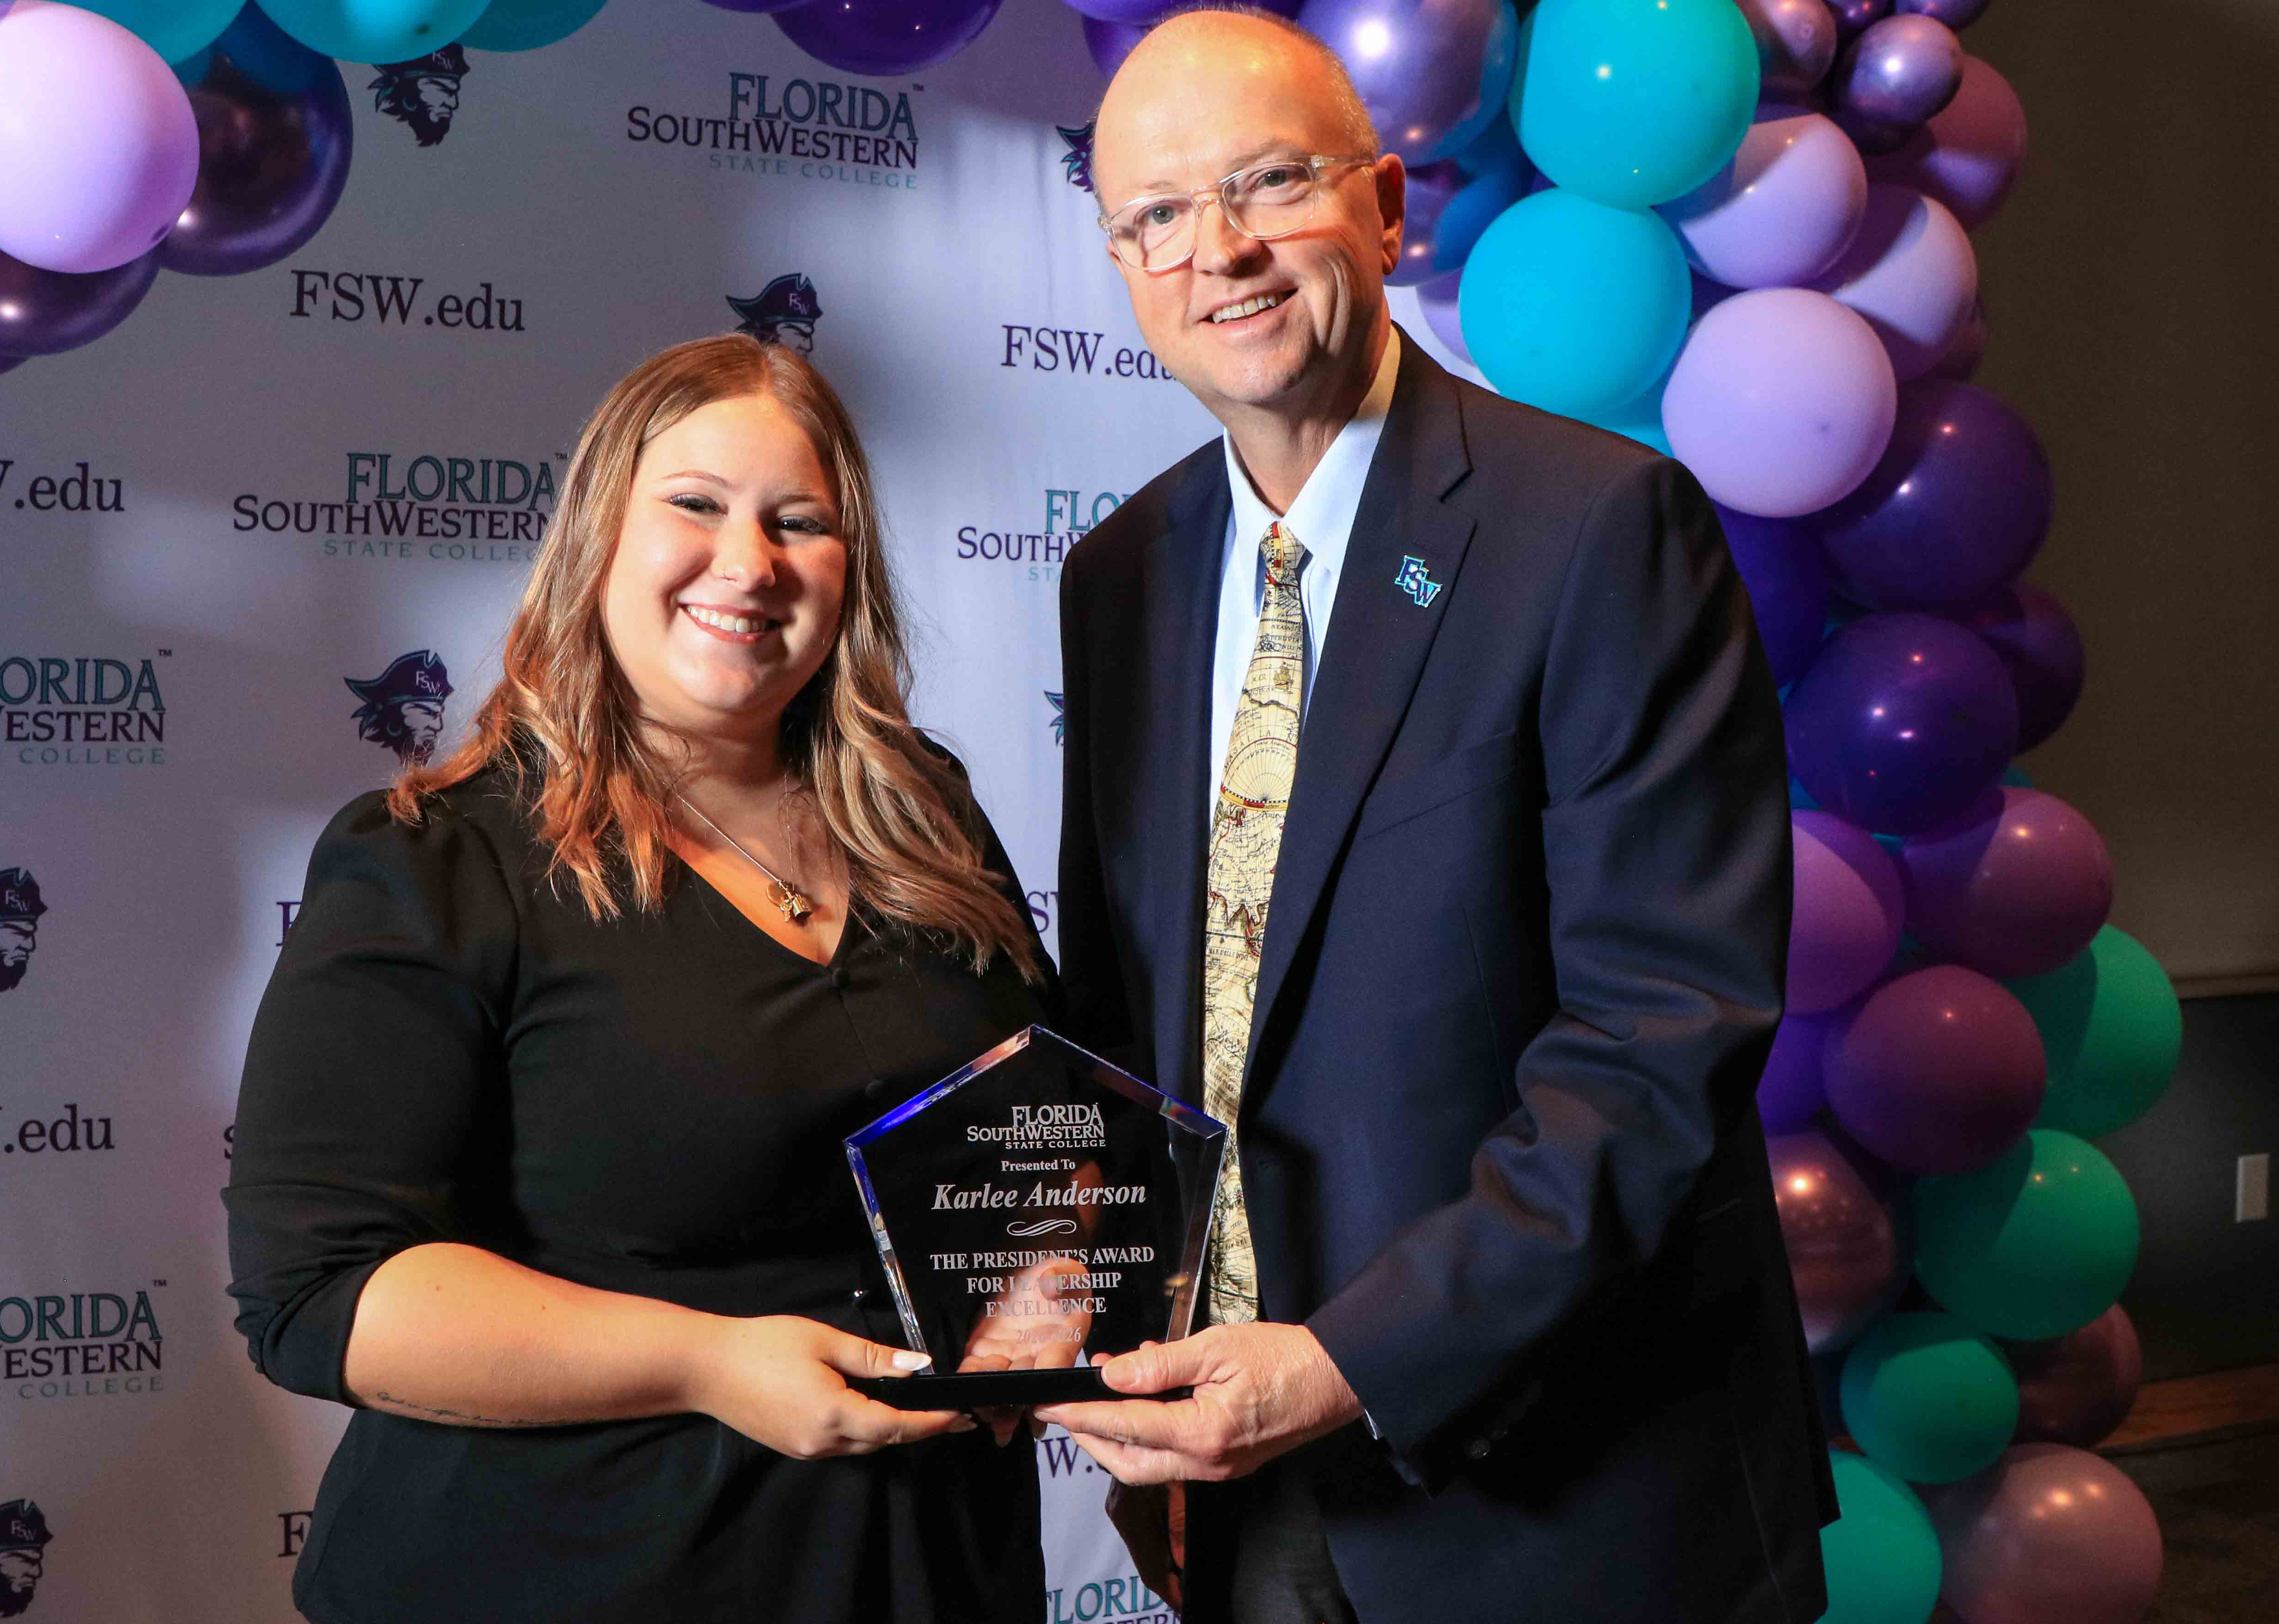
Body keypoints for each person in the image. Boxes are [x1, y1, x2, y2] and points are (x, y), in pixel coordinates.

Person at [1035, 11, 1835, 1624]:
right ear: (1123, 265)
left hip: (1567, 1503)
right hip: (1240, 1488)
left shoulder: (1600, 528)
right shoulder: (1119, 577)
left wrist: (1349, 1362)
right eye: (1160, 215)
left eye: (1271, 183)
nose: (1220, 251)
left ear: (1388, 207)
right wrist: (1110, 1316)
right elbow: (1136, 1027)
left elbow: (1657, 1038)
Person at [226, 334, 1052, 1624]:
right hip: (571, 1572)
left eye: (799, 522)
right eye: (696, 504)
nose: (750, 562)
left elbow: (1050, 1116)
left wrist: (1053, 1277)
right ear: (599, 537)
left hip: (929, 1570)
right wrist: (709, 1363)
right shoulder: (438, 861)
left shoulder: (921, 814)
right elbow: (320, 1294)